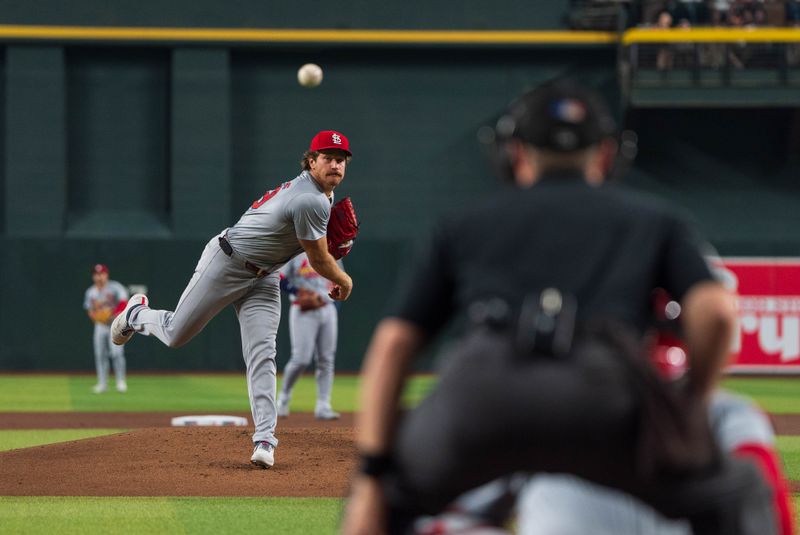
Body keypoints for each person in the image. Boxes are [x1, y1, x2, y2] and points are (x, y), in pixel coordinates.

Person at [341, 81, 776, 535]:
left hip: (483, 391)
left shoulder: (460, 225)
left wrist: (374, 474)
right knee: (736, 490)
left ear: (515, 154)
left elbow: (394, 346)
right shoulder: (655, 218)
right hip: (606, 392)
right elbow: (718, 314)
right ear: (607, 156)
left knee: (389, 498)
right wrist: (690, 402)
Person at [110, 130, 354, 469]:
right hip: (227, 262)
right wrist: (343, 278)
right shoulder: (310, 199)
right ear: (311, 162)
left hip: (265, 276)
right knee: (177, 334)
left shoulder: (322, 198)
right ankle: (137, 314)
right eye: (327, 157)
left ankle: (266, 439)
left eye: (341, 159)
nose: (335, 164)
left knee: (263, 354)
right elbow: (318, 260)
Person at [277, 252, 343, 420]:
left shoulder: (332, 249)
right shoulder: (295, 252)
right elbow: (280, 277)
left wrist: (334, 303)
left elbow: (340, 280)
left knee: (326, 359)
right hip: (302, 310)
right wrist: (298, 291)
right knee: (301, 359)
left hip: (327, 309)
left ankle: (323, 405)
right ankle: (284, 397)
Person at [83, 264, 129, 394]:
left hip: (116, 325)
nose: (99, 277)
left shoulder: (115, 287)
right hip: (100, 327)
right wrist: (97, 317)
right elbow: (89, 310)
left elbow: (124, 303)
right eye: (96, 274)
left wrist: (112, 315)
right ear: (93, 276)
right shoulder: (90, 292)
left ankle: (121, 381)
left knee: (117, 353)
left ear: (106, 275)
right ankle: (102, 383)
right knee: (100, 355)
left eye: (101, 274)